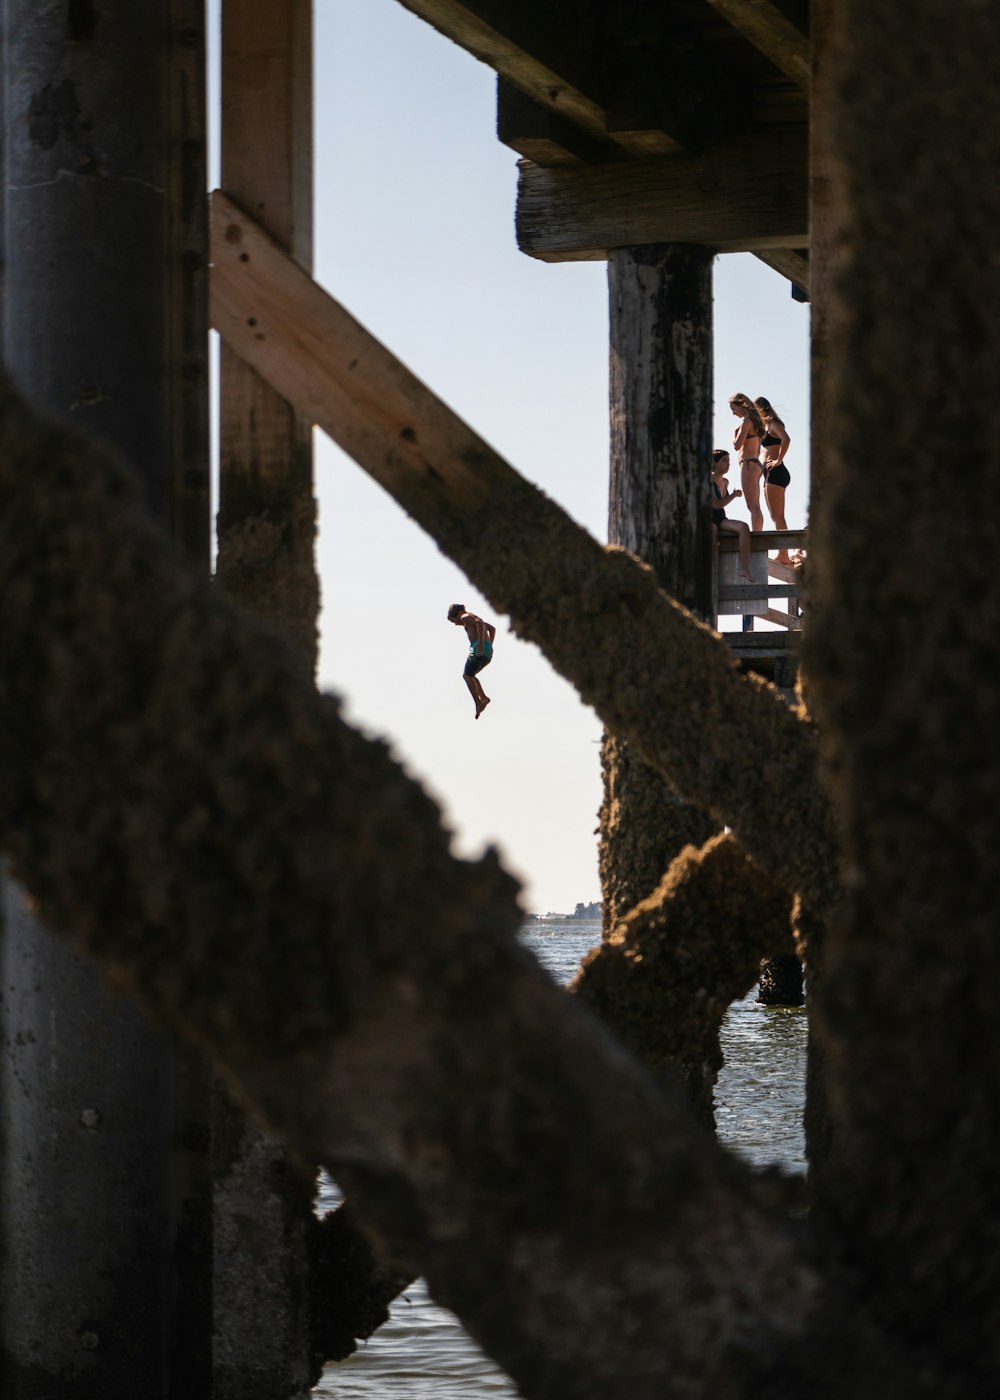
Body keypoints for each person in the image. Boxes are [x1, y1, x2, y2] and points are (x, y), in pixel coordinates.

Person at [755, 395, 793, 565]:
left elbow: (786, 439)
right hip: (769, 473)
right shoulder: (764, 427)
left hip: (777, 471)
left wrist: (778, 460)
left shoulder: (773, 424)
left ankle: (783, 554)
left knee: (778, 516)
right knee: (774, 515)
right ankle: (782, 553)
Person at [447, 603, 496, 718]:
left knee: (466, 676)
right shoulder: (470, 618)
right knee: (471, 675)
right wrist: (488, 645)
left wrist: (480, 645)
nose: (455, 624)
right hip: (487, 651)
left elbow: (479, 622)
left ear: (456, 615)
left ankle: (478, 702)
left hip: (477, 648)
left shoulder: (465, 617)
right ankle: (483, 698)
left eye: (453, 621)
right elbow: (492, 629)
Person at [711, 450, 754, 581]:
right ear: (714, 462)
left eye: (729, 462)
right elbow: (716, 504)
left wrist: (732, 495)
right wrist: (733, 495)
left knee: (743, 527)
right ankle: (712, 569)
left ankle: (745, 569)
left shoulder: (726, 482)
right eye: (724, 461)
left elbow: (720, 509)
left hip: (720, 518)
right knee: (712, 529)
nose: (728, 464)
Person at [729, 392, 766, 533]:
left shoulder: (746, 422)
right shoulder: (755, 423)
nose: (733, 413)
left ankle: (756, 536)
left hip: (748, 464)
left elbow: (737, 445)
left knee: (752, 506)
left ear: (741, 405)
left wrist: (734, 434)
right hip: (756, 464)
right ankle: (758, 533)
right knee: (756, 506)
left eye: (733, 409)